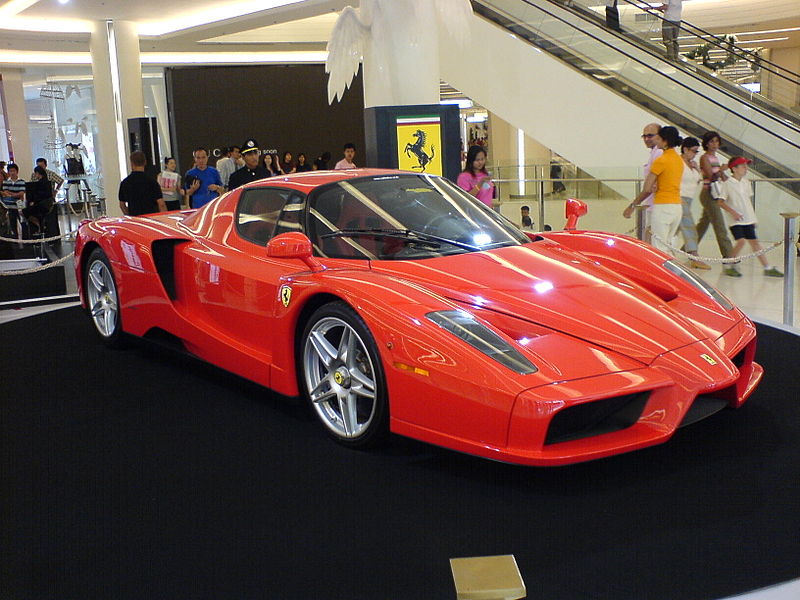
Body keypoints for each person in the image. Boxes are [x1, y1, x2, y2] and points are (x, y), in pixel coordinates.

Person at [718, 157, 783, 278]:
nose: (745, 169)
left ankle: (767, 267)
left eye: (746, 166)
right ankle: (728, 263)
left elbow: (747, 201)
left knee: (755, 243)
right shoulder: (727, 184)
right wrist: (733, 213)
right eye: (742, 166)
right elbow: (720, 202)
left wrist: (753, 219)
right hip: (736, 220)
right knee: (741, 242)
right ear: (734, 168)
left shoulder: (746, 183)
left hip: (748, 219)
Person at [625, 126, 683, 255]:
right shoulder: (678, 159)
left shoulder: (661, 160)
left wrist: (632, 205)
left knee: (659, 248)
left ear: (665, 140)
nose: (656, 141)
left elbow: (647, 188)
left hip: (662, 206)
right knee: (668, 244)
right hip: (677, 206)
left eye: (658, 138)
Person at [622, 123, 662, 241]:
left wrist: (633, 205)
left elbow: (650, 187)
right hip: (654, 206)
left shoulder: (659, 153)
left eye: (650, 136)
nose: (646, 139)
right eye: (644, 136)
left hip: (658, 206)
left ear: (660, 136)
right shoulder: (655, 153)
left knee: (654, 243)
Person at [696, 131, 733, 260]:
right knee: (719, 224)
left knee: (703, 225)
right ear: (706, 143)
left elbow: (721, 177)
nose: (715, 144)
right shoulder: (704, 158)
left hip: (714, 193)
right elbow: (710, 176)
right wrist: (721, 170)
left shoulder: (715, 158)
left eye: (716, 141)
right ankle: (728, 254)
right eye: (712, 141)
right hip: (708, 193)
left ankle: (687, 248)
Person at [678, 137, 708, 269]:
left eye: (696, 151)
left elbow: (697, 180)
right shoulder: (678, 162)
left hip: (689, 198)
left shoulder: (692, 164)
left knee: (678, 228)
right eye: (693, 151)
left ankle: (689, 253)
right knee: (689, 226)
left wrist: (697, 169)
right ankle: (693, 255)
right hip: (679, 197)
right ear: (685, 149)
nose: (695, 154)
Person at [119, 151, 166, 216]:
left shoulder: (125, 183)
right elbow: (161, 204)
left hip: (135, 219)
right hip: (151, 218)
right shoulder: (152, 182)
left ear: (132, 163)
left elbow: (122, 205)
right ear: (145, 162)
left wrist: (130, 216)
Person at [22, 166, 54, 235]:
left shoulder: (41, 183)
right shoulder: (45, 182)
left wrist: (34, 201)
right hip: (44, 204)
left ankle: (39, 225)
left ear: (38, 173)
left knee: (24, 211)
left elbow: (41, 195)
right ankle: (41, 225)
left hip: (43, 205)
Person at [1, 163, 26, 237]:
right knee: (13, 224)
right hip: (10, 206)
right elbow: (5, 193)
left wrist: (11, 194)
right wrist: (16, 194)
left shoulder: (21, 181)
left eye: (13, 171)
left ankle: (26, 239)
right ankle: (15, 238)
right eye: (10, 171)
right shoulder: (5, 182)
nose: (12, 173)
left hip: (20, 206)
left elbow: (21, 193)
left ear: (17, 171)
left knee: (23, 222)